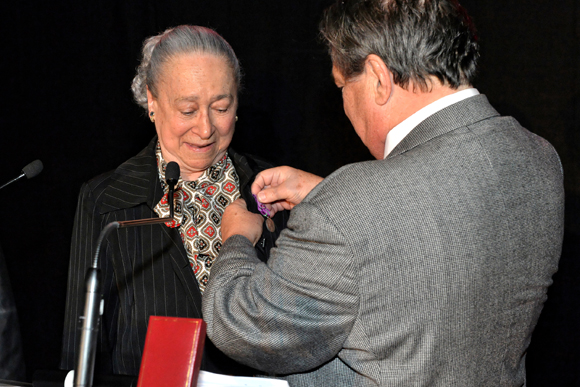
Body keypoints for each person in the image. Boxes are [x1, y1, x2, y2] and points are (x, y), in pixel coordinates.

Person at [201, 1, 565, 386]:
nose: (343, 104)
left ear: (377, 76)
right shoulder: (539, 159)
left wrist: (237, 238)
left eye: (342, 86)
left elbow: (251, 329)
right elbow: (448, 225)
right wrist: (327, 194)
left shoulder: (351, 208)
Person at [60, 25, 288, 376]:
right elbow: (80, 355)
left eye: (221, 107)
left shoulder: (274, 188)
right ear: (152, 101)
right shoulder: (107, 200)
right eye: (187, 109)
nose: (205, 127)